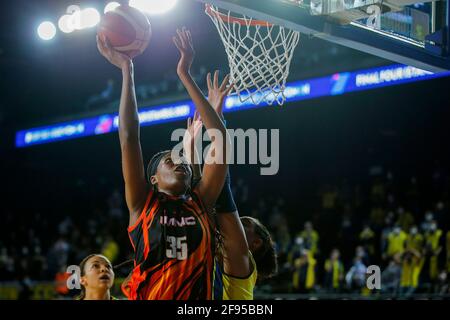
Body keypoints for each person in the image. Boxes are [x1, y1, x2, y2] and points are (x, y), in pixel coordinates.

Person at [97, 27, 230, 300]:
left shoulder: (201, 201)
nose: (178, 161)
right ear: (153, 179)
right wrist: (127, 70)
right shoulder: (142, 204)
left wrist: (184, 74)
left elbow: (221, 141)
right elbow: (129, 137)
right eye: (169, 160)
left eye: (181, 159)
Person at [183, 71, 277, 299]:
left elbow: (217, 189)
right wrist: (193, 146)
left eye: (243, 223)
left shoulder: (241, 259)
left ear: (254, 243)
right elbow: (210, 188)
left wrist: (194, 146)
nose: (236, 221)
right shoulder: (224, 255)